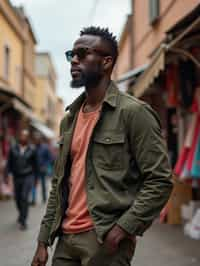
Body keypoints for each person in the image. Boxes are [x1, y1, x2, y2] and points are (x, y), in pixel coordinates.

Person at [31, 26, 173, 266]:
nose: (74, 60)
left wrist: (122, 230)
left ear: (107, 62)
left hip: (105, 239)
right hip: (66, 239)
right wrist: (43, 241)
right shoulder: (69, 119)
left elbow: (160, 180)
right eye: (71, 54)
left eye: (82, 53)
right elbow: (59, 183)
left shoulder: (133, 113)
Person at [6, 129, 38, 230]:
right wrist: (8, 177)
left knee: (24, 197)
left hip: (28, 176)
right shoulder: (13, 149)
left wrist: (35, 179)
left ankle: (23, 221)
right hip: (16, 177)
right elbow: (9, 164)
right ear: (19, 137)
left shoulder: (32, 150)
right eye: (22, 136)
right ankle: (21, 214)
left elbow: (36, 165)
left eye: (25, 136)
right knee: (17, 198)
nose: (23, 138)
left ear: (27, 138)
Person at [31, 133, 52, 205]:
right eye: (35, 139)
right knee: (33, 184)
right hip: (34, 169)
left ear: (40, 140)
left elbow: (50, 158)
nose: (37, 141)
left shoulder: (45, 148)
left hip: (42, 169)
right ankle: (33, 200)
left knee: (43, 184)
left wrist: (45, 166)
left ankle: (44, 198)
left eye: (38, 139)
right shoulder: (33, 148)